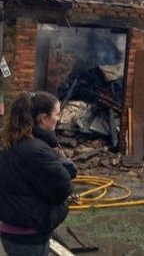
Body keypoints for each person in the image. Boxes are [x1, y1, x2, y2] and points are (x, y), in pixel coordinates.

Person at [0, 91, 77, 256]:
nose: (58, 118)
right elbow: (63, 186)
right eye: (57, 114)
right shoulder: (36, 150)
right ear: (43, 118)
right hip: (28, 237)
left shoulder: (13, 142)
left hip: (11, 230)